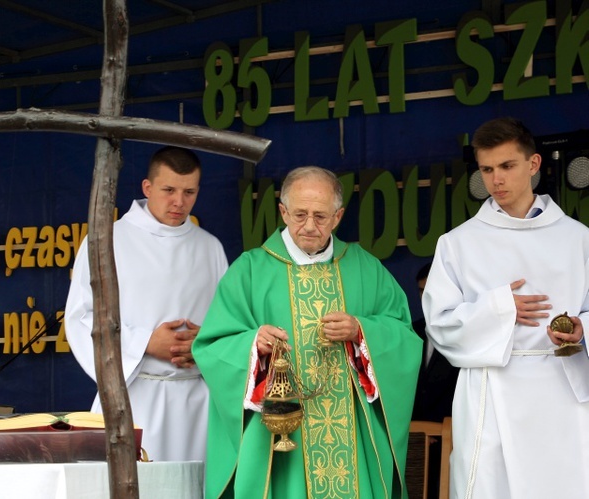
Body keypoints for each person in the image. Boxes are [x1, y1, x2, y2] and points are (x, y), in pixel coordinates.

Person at [192, 166, 421, 498]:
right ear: (283, 211)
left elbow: (404, 338)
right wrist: (254, 345)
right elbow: (213, 346)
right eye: (300, 214)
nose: (310, 226)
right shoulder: (251, 270)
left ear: (338, 216)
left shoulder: (364, 267)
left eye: (321, 216)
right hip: (279, 429)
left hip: (350, 434)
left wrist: (362, 332)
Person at [422, 117, 589, 498]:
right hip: (492, 389)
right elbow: (440, 325)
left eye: (507, 166)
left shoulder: (578, 240)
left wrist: (581, 329)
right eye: (486, 169)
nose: (496, 180)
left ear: (533, 165)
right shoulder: (458, 243)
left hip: (562, 392)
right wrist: (500, 309)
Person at [64, 146, 228, 462]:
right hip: (134, 396)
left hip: (197, 402)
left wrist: (204, 341)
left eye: (189, 192)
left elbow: (228, 323)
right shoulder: (107, 241)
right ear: (147, 187)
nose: (179, 202)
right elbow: (81, 316)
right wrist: (145, 343)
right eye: (169, 190)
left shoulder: (210, 248)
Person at [411, 262, 458, 423]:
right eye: (421, 291)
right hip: (415, 433)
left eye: (430, 292)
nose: (425, 298)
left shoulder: (461, 330)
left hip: (450, 431)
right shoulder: (413, 330)